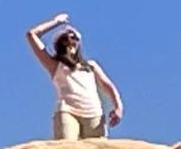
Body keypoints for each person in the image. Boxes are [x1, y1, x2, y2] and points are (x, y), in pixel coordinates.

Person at [26, 12, 124, 140]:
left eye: (74, 38)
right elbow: (31, 34)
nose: (70, 41)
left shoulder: (90, 66)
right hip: (68, 111)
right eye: (66, 38)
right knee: (66, 148)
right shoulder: (55, 65)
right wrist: (56, 22)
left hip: (93, 113)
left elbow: (109, 86)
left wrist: (118, 107)